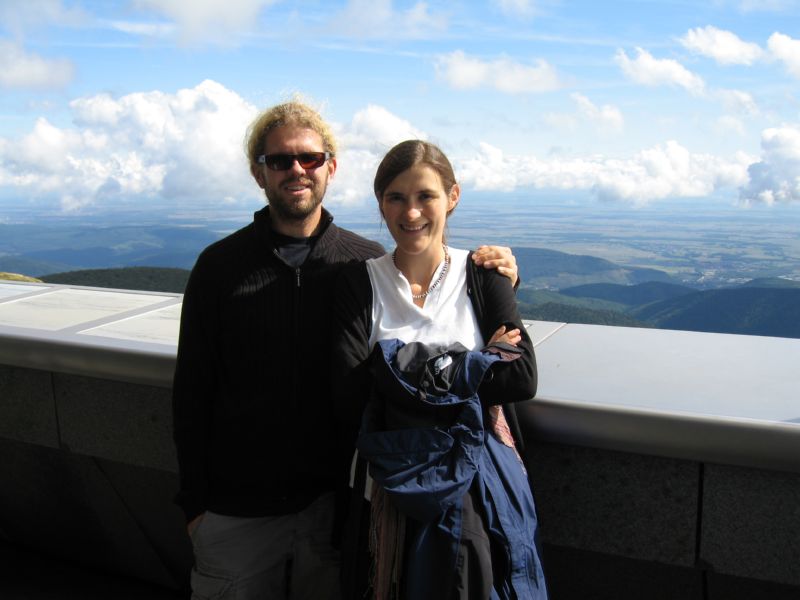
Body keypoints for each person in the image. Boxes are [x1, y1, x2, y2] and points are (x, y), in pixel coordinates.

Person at [171, 100, 521, 600]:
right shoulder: (219, 268)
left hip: (334, 509)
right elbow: (192, 392)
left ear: (331, 168)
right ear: (259, 173)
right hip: (235, 514)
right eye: (280, 160)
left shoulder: (363, 265)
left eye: (311, 158)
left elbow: (432, 303)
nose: (297, 169)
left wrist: (500, 281)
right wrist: (196, 507)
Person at [332, 140, 547, 599]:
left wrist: (391, 364)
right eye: (396, 198)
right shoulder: (360, 282)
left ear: (453, 197)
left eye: (425, 196)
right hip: (389, 491)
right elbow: (347, 389)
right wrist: (470, 366)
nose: (411, 213)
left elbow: (521, 375)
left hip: (477, 490)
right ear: (381, 205)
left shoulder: (484, 275)